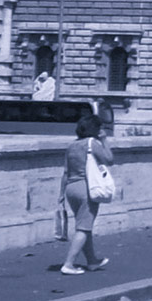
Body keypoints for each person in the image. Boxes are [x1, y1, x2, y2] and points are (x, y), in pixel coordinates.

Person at [60, 112, 113, 275]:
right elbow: (109, 159)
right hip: (86, 188)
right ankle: (69, 263)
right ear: (95, 129)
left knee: (84, 224)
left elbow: (65, 172)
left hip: (71, 188)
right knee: (83, 228)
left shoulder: (72, 146)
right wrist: (104, 140)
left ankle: (92, 261)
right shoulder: (92, 143)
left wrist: (60, 195)